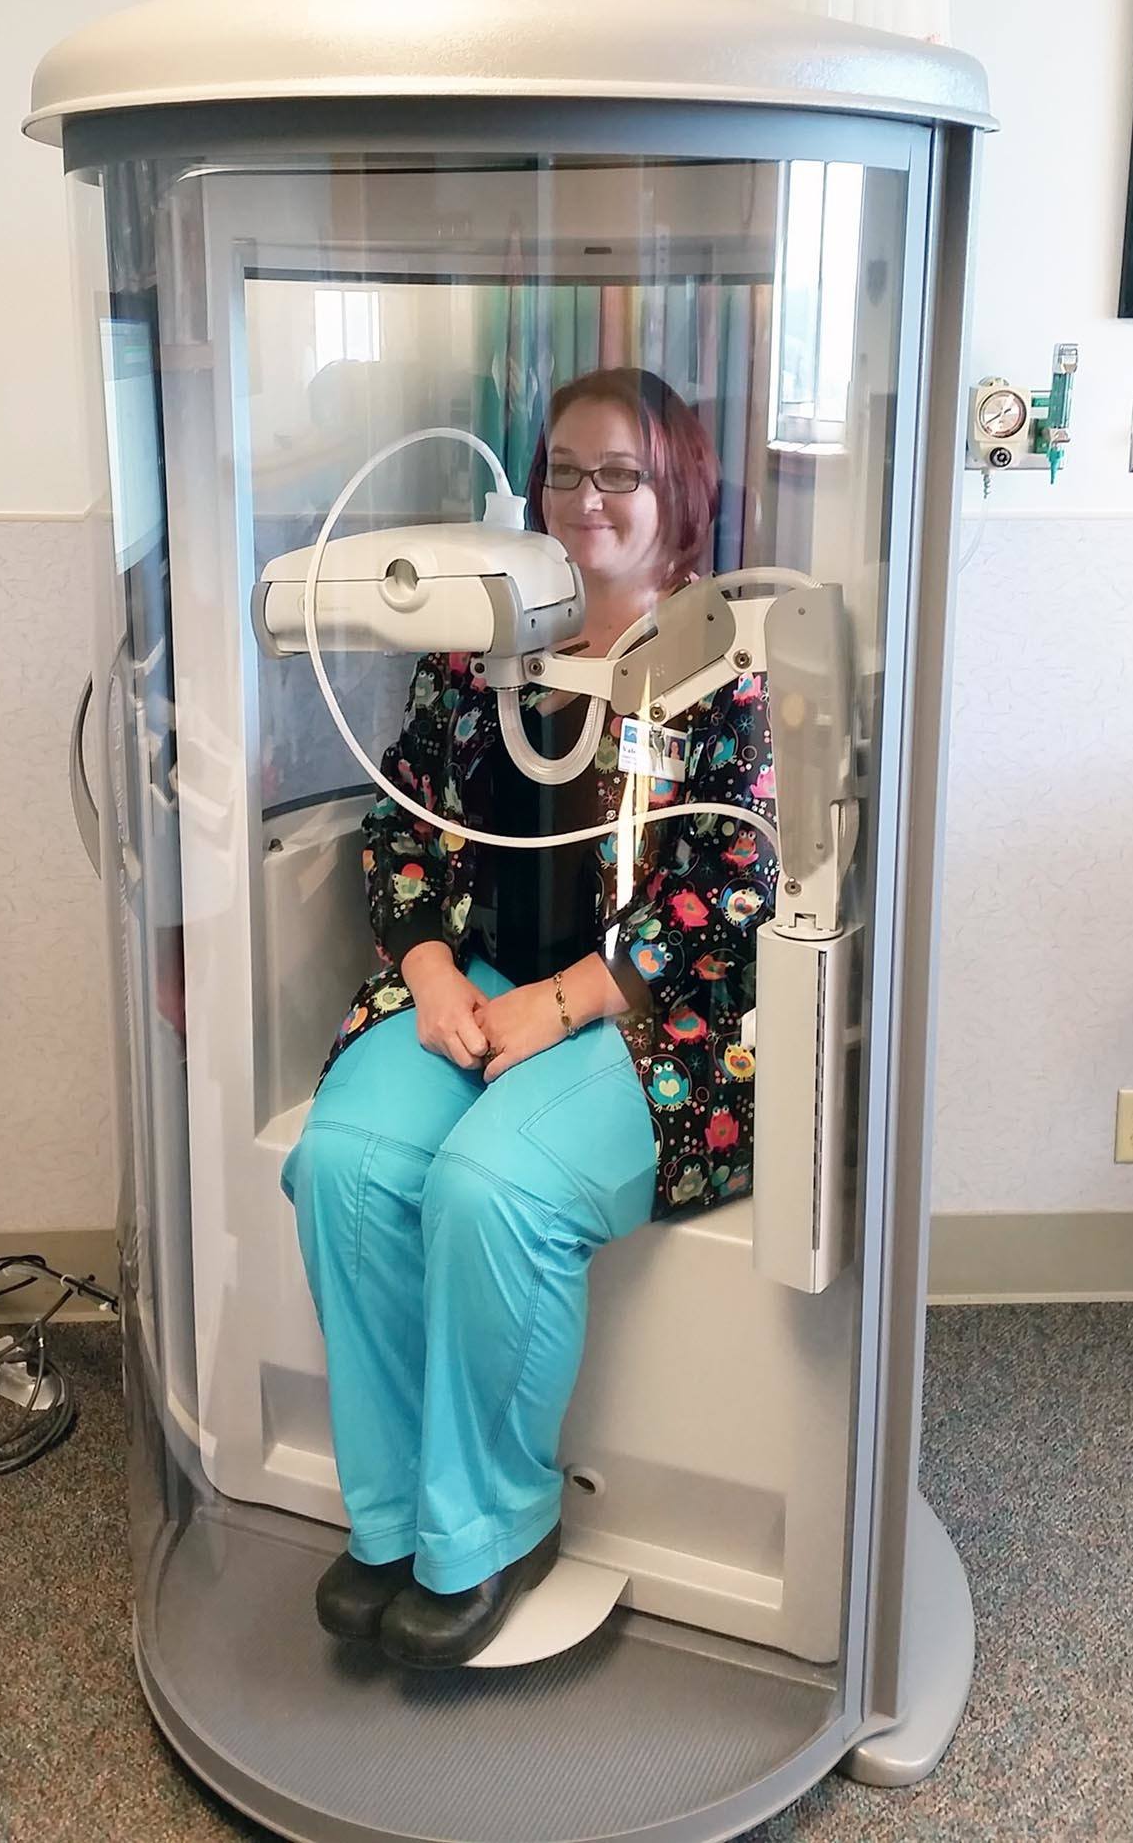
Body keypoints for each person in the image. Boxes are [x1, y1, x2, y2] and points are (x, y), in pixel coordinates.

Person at [280, 366, 777, 1668]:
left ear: (678, 490)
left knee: (490, 1190)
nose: (586, 497)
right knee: (343, 1167)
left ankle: (492, 1528)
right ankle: (391, 1517)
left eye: (621, 473)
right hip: (477, 986)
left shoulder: (722, 667)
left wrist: (564, 1003)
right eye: (564, 469)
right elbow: (399, 820)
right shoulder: (475, 646)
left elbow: (732, 885)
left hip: (647, 1023)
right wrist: (431, 970)